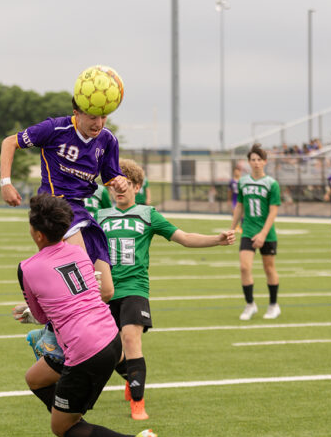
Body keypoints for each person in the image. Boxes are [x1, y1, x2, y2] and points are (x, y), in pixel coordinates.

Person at [17, 194, 175, 437]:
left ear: (37, 234)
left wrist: (28, 313)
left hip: (84, 349)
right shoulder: (79, 252)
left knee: (62, 428)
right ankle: (85, 436)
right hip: (110, 337)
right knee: (35, 378)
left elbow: (44, 317)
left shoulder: (27, 267)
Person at [97, 159, 234, 421]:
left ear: (137, 186)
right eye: (114, 184)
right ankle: (131, 378)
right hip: (106, 291)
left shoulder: (149, 215)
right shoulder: (100, 217)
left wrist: (216, 240)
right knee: (108, 350)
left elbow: (183, 237)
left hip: (135, 288)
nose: (119, 189)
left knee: (130, 338)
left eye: (126, 184)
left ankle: (138, 403)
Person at [0, 95, 129, 299]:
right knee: (82, 276)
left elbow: (111, 176)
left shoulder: (108, 140)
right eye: (93, 117)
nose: (99, 123)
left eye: (103, 117)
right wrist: (5, 183)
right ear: (77, 113)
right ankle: (54, 320)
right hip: (53, 206)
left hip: (80, 210)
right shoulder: (54, 129)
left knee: (105, 291)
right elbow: (9, 142)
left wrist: (118, 181)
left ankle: (46, 316)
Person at [230, 143, 281, 320]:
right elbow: (239, 206)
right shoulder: (243, 181)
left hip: (267, 233)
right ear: (249, 162)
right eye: (253, 160)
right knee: (244, 267)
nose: (256, 163)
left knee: (269, 268)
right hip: (248, 230)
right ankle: (250, 304)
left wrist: (263, 234)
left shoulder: (272, 184)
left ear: (265, 162)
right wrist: (232, 228)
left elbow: (273, 210)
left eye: (259, 159)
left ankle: (274, 305)